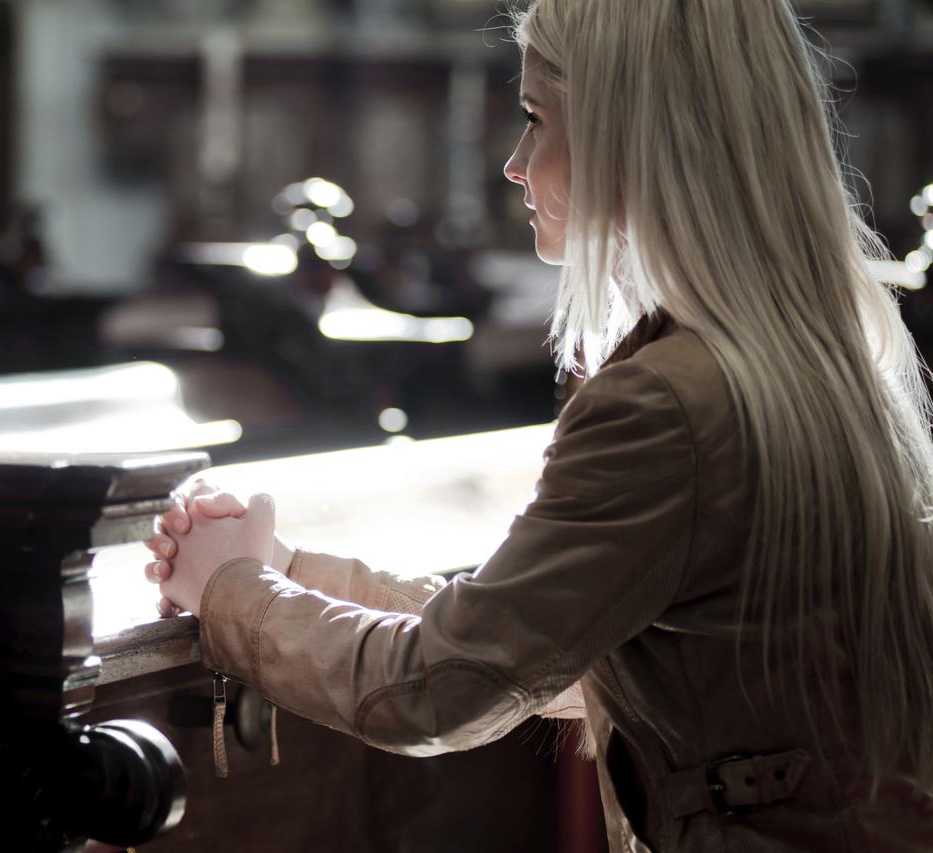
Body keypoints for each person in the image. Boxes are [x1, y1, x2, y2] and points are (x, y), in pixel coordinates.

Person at [142, 1, 933, 849]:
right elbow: (536, 634)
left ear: (634, 137)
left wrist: (230, 592)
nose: (515, 166)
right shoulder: (821, 348)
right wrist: (288, 569)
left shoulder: (666, 402)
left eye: (534, 119)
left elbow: (439, 687)